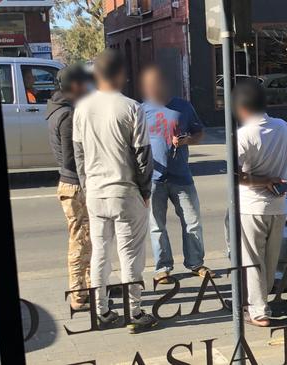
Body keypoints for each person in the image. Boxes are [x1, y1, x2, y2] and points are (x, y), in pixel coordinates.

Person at [72, 49, 157, 331]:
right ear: (120, 74)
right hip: (125, 191)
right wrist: (145, 192)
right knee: (130, 254)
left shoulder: (82, 108)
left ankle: (102, 312)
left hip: (95, 192)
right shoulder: (131, 107)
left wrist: (87, 188)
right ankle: (134, 313)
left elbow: (79, 156)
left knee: (100, 253)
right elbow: (143, 155)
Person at [232, 79, 287, 327]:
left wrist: (262, 180)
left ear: (242, 108)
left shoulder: (244, 135)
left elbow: (237, 176)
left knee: (252, 259)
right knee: (269, 258)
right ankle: (259, 300)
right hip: (279, 206)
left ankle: (258, 310)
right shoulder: (282, 126)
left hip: (252, 207)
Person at [139, 65, 213, 284]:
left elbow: (199, 133)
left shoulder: (183, 107)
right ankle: (162, 268)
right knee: (156, 226)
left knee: (192, 221)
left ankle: (195, 263)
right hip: (154, 178)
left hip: (181, 176)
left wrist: (186, 140)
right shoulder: (141, 110)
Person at [46, 64, 92, 311]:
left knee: (86, 239)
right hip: (75, 185)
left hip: (69, 183)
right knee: (81, 241)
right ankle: (78, 294)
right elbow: (71, 158)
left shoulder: (56, 108)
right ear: (75, 86)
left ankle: (88, 285)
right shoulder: (68, 115)